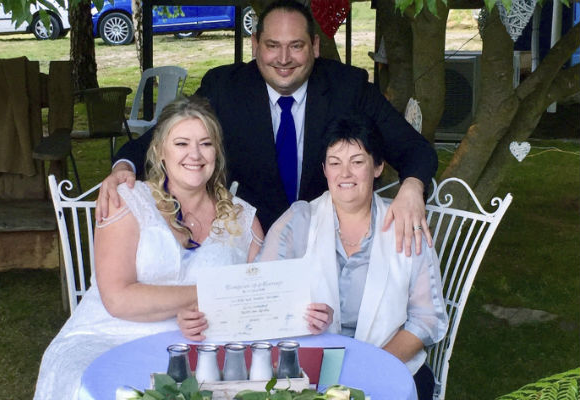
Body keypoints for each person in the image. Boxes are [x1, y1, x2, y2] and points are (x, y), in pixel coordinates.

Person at [98, 0, 437, 256]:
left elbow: (415, 150)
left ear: (315, 47)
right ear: (255, 45)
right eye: (273, 45)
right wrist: (123, 167)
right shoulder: (225, 87)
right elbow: (160, 140)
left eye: (296, 46)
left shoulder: (349, 86)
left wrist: (412, 187)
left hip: (330, 247)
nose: (283, 58)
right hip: (249, 249)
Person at [33, 97, 263, 399]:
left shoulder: (244, 219)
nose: (194, 154)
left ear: (217, 152)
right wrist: (209, 295)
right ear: (159, 151)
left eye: (205, 144)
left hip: (204, 345)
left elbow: (259, 299)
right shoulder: (128, 202)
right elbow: (117, 298)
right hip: (109, 336)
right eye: (181, 143)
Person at [257, 115, 448, 400]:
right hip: (308, 368)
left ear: (378, 167)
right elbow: (262, 296)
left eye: (357, 162)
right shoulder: (298, 221)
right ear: (324, 169)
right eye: (335, 163)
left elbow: (427, 318)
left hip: (390, 361)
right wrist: (301, 318)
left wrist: (373, 364)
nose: (345, 173)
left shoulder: (406, 224)